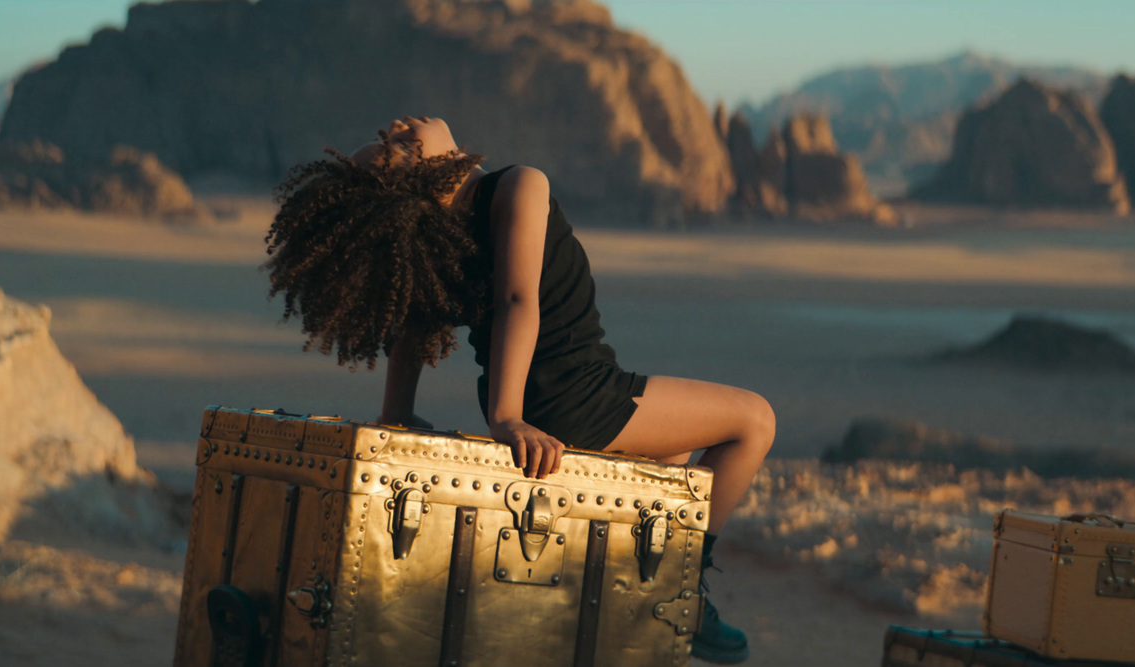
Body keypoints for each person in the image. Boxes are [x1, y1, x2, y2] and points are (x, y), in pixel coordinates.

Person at [264, 116, 772, 664]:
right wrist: (507, 418)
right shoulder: (519, 186)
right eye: (400, 146)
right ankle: (685, 594)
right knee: (755, 421)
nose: (400, 125)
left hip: (544, 393)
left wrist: (398, 414)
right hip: (572, 391)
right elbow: (516, 302)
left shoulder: (447, 233)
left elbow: (412, 327)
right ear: (427, 181)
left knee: (667, 474)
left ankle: (637, 602)